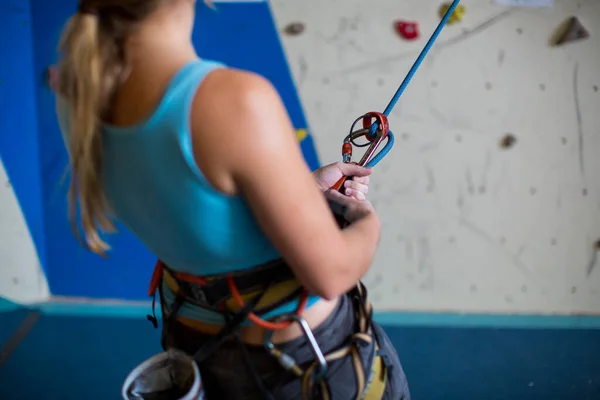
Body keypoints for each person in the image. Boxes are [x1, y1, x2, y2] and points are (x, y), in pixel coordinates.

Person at [54, 0, 411, 399]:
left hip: (199, 352)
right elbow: (330, 274)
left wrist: (297, 190)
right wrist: (367, 223)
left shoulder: (79, 93)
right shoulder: (235, 99)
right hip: (300, 365)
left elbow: (195, 204)